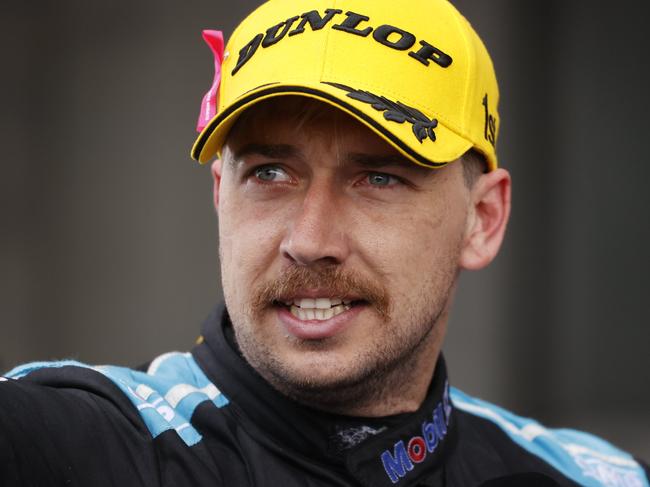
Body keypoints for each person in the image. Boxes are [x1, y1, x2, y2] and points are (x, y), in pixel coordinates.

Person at [1, 0, 648, 486]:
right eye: (270, 174)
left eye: (378, 177)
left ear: (483, 217)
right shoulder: (80, 445)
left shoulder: (597, 478)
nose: (310, 240)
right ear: (220, 192)